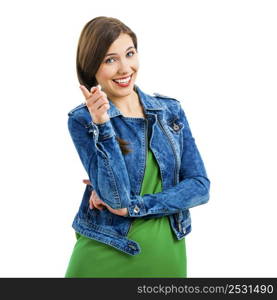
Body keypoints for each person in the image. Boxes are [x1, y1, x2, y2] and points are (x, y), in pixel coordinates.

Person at [65, 16, 210, 278]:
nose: (124, 68)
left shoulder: (170, 111)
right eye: (110, 60)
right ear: (92, 67)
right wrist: (102, 123)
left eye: (129, 54)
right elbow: (116, 197)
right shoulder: (83, 120)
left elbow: (200, 186)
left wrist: (137, 206)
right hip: (102, 254)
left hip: (165, 256)